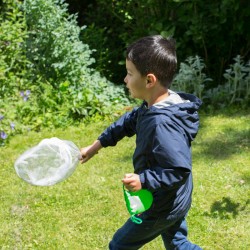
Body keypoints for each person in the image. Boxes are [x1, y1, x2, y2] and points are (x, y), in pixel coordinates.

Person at [80, 35, 202, 250]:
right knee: (178, 243)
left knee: (119, 245)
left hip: (160, 205)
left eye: (129, 73)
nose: (125, 79)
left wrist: (144, 180)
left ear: (149, 80)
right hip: (174, 198)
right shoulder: (156, 104)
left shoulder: (162, 122)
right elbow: (128, 122)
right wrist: (97, 145)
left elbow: (177, 168)